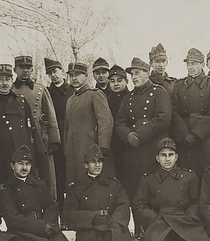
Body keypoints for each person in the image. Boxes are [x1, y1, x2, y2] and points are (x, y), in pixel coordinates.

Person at [113, 58, 172, 214]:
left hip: (152, 147)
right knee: (135, 187)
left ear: (147, 73)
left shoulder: (159, 92)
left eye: (137, 73)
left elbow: (163, 118)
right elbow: (119, 122)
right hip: (133, 149)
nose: (134, 77)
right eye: (132, 74)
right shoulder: (128, 98)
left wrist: (140, 134)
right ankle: (139, 227)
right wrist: (128, 136)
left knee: (154, 186)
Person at [0, 63, 45, 187]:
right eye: (0, 79)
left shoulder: (21, 101)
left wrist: (39, 149)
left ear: (12, 81)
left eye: (8, 79)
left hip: (21, 154)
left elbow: (32, 128)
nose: (4, 83)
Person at [12, 55, 61, 199]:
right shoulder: (11, 90)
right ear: (15, 70)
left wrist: (54, 140)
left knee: (47, 178)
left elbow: (51, 116)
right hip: (20, 141)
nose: (25, 71)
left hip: (42, 141)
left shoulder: (40, 89)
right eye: (22, 68)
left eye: (28, 68)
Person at [170, 47, 210, 177]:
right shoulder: (179, 85)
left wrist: (196, 134)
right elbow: (174, 111)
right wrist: (183, 135)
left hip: (206, 136)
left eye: (194, 63)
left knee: (207, 173)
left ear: (203, 65)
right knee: (186, 173)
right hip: (184, 134)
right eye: (188, 64)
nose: (190, 67)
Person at [64, 62, 115, 183]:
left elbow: (106, 121)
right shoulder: (70, 100)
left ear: (86, 76)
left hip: (90, 148)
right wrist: (66, 149)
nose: (74, 78)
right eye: (71, 75)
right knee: (76, 183)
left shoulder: (95, 94)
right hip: (73, 151)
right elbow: (67, 127)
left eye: (78, 75)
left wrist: (102, 147)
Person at [45, 57, 73, 209]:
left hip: (70, 138)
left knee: (71, 177)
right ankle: (60, 211)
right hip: (55, 141)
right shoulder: (47, 92)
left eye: (55, 71)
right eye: (50, 73)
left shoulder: (71, 91)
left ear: (62, 72)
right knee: (58, 178)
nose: (53, 75)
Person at [106, 64, 130, 177]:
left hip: (128, 142)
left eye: (119, 80)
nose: (115, 84)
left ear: (126, 81)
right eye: (112, 81)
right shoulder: (105, 100)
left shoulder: (132, 97)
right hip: (113, 143)